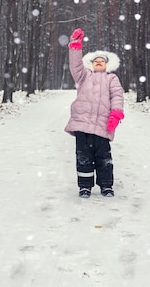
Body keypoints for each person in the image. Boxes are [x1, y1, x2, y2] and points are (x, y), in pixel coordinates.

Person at [64, 28, 125, 198]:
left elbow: (117, 96)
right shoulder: (84, 77)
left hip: (102, 126)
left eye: (102, 61)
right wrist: (75, 46)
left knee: (104, 159)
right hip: (82, 125)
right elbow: (75, 66)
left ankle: (106, 186)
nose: (98, 62)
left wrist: (116, 113)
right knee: (83, 158)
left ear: (107, 65)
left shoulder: (111, 79)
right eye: (95, 61)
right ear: (91, 64)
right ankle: (85, 186)